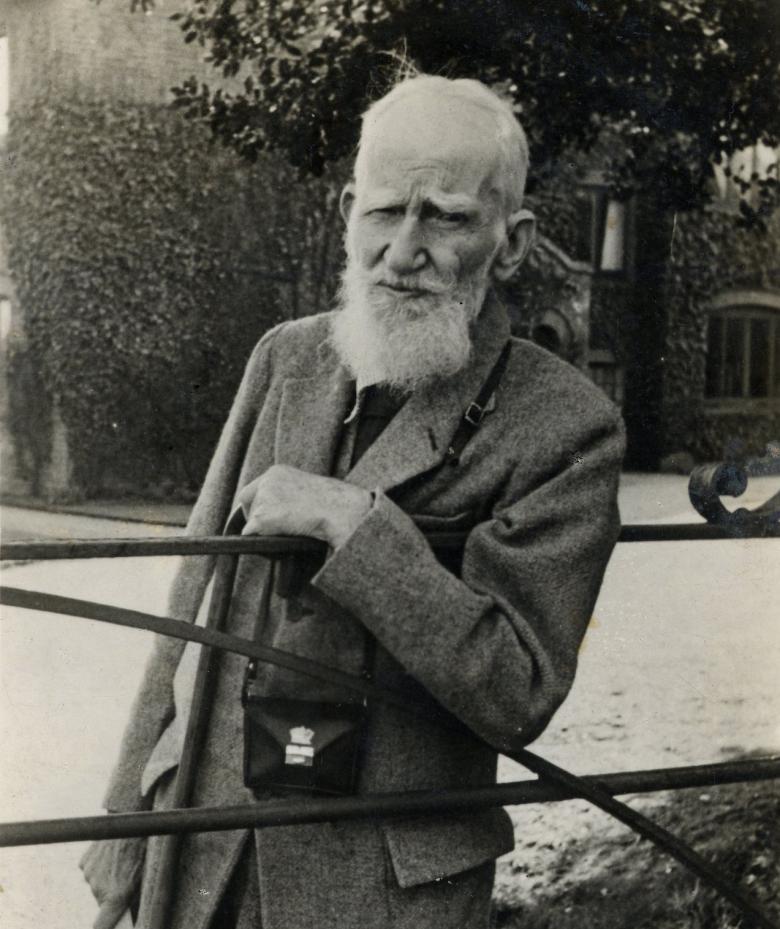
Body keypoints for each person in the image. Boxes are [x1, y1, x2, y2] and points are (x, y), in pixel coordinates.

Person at [81, 72, 625, 929]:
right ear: (347, 212)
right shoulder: (286, 359)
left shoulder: (565, 424)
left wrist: (356, 526)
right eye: (383, 210)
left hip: (383, 890)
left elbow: (518, 689)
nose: (404, 249)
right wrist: (124, 828)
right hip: (205, 854)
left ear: (512, 242)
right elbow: (189, 606)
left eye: (444, 215)